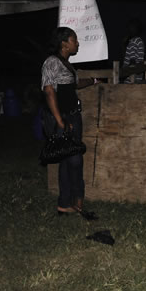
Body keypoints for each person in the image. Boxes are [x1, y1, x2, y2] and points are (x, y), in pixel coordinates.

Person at [41, 27, 100, 216]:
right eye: (74, 40)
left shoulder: (65, 63)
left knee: (68, 161)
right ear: (64, 43)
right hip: (64, 118)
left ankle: (65, 204)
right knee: (74, 161)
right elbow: (49, 91)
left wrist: (91, 81)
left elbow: (72, 85)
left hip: (71, 116)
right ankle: (77, 203)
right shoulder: (52, 62)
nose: (78, 43)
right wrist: (60, 121)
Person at [121, 19, 146, 83]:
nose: (129, 29)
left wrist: (124, 73)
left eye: (131, 27)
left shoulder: (134, 41)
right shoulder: (139, 41)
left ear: (136, 28)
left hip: (131, 79)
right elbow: (127, 59)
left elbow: (132, 62)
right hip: (136, 78)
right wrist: (124, 45)